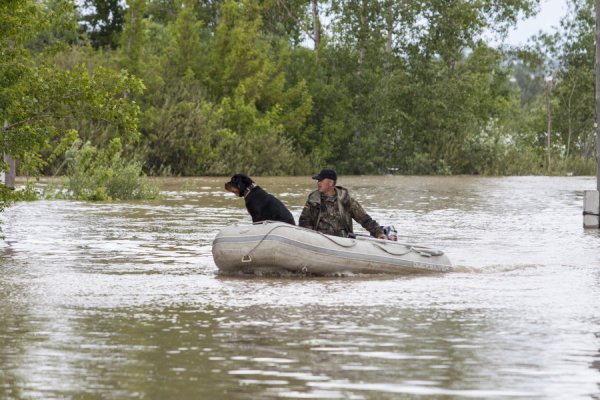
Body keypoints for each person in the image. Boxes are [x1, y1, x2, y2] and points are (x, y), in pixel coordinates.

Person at [299, 168, 387, 239]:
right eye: (318, 180)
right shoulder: (313, 199)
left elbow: (364, 218)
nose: (318, 183)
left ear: (331, 183)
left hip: (342, 241)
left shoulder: (345, 199)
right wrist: (311, 237)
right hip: (320, 240)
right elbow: (304, 221)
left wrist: (378, 233)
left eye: (321, 180)